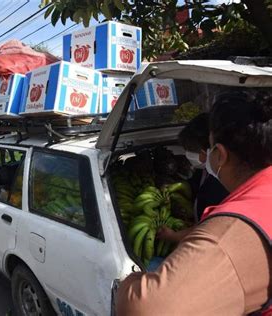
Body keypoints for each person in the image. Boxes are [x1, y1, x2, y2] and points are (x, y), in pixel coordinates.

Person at [116, 91, 271, 315]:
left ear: (219, 154)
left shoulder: (229, 233)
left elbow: (144, 308)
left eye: (209, 147)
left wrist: (130, 282)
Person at [157, 113, 229, 242]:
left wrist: (173, 236)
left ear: (204, 152)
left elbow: (211, 226)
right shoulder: (205, 170)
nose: (188, 154)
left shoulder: (222, 185)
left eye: (190, 150)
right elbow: (193, 185)